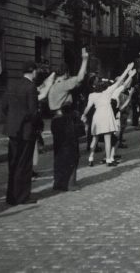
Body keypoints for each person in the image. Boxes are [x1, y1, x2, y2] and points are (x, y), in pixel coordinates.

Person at [48, 48, 89, 191]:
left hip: (55, 120)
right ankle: (70, 183)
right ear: (65, 74)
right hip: (65, 121)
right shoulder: (63, 85)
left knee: (59, 153)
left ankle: (58, 182)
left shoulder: (52, 87)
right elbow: (80, 78)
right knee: (72, 152)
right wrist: (84, 60)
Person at [82, 63, 136, 167]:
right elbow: (120, 82)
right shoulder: (107, 92)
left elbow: (88, 107)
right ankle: (108, 160)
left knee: (95, 138)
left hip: (97, 118)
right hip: (106, 116)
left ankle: (91, 158)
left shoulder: (92, 95)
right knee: (107, 139)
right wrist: (128, 70)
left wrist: (84, 115)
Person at [2, 61, 39, 205]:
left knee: (13, 163)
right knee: (24, 164)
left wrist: (13, 119)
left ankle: (11, 196)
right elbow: (33, 113)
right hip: (26, 131)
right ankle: (22, 196)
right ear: (33, 71)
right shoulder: (31, 87)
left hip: (13, 130)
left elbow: (4, 106)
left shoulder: (12, 85)